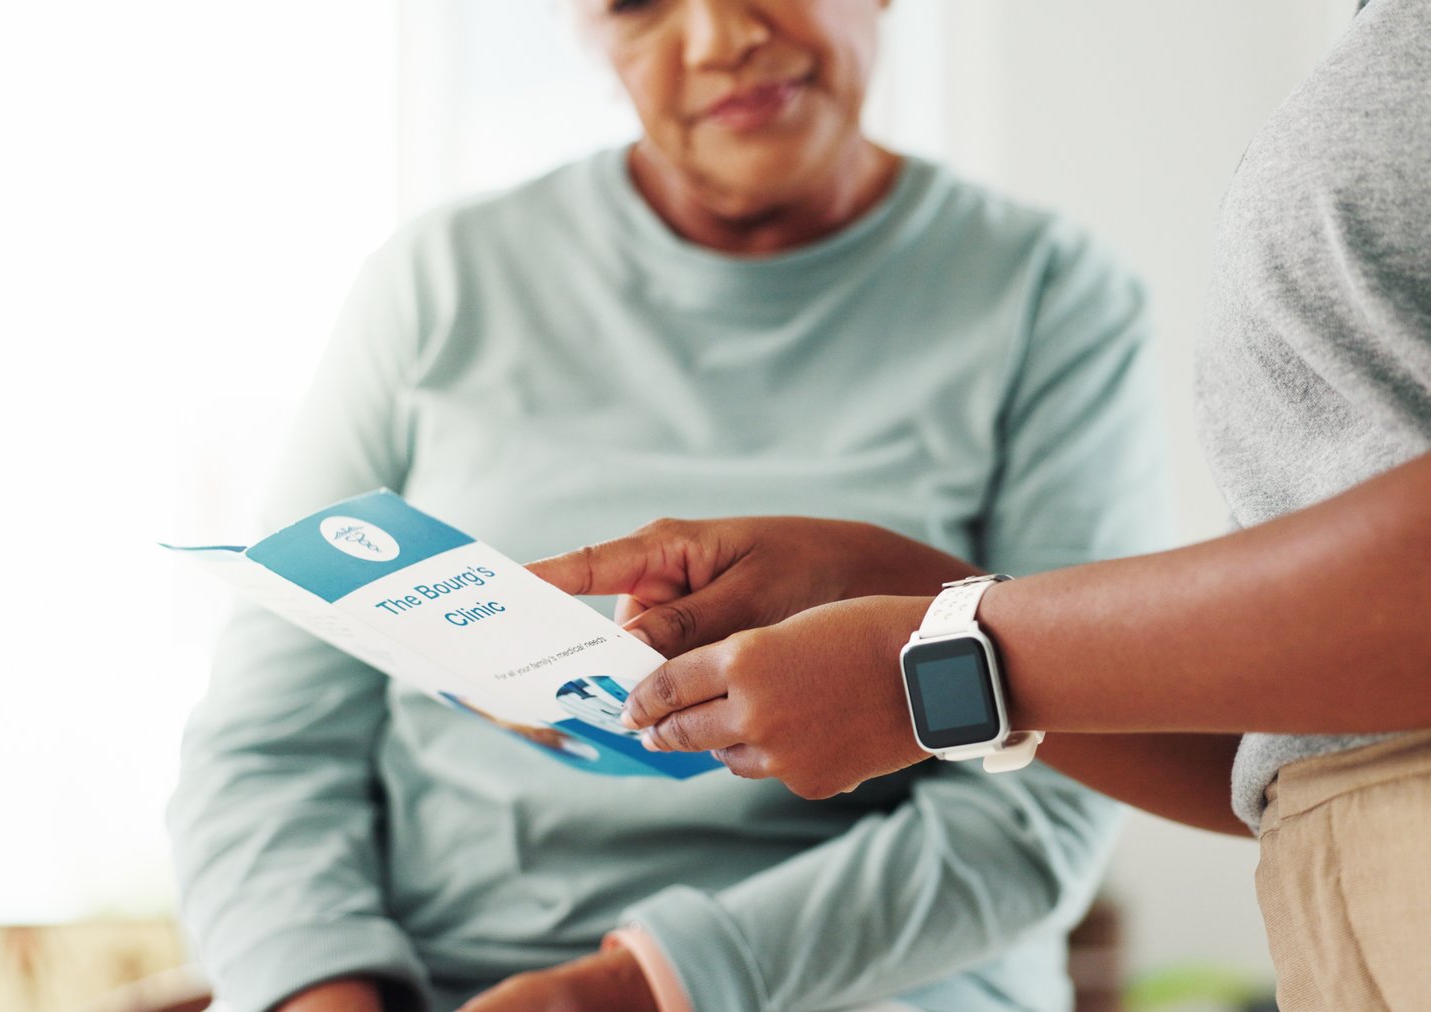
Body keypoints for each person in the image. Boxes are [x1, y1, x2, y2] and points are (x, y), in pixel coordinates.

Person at [520, 0, 1431, 1009]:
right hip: (1391, 910)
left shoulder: (1043, 284)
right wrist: (899, 591)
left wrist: (923, 658)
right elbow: (1298, 720)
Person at [165, 0, 1171, 1009]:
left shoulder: (1047, 296)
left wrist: (640, 986)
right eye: (639, 2)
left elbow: (1049, 799)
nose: (716, 38)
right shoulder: (438, 284)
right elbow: (270, 742)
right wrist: (322, 989)